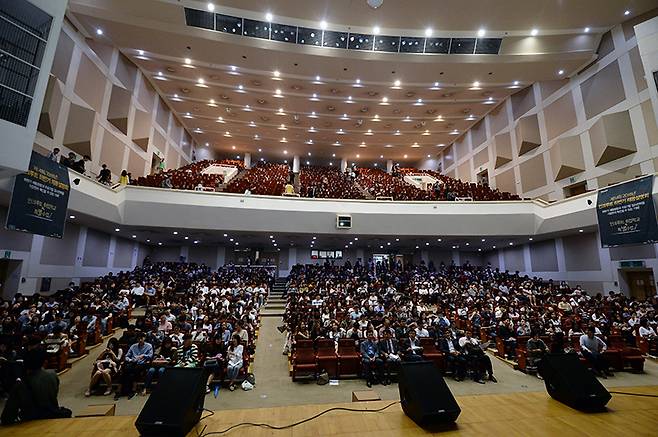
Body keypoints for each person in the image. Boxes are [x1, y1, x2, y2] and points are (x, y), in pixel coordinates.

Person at [1, 348, 71, 424]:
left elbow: (7, 416)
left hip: (30, 422)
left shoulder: (21, 385)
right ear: (44, 362)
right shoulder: (52, 375)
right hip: (52, 417)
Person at [116, 332, 153, 399]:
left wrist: (143, 356)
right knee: (124, 370)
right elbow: (127, 356)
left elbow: (150, 356)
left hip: (142, 363)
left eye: (141, 338)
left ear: (144, 338)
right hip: (132, 362)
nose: (140, 340)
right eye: (139, 339)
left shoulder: (149, 346)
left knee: (135, 370)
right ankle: (119, 391)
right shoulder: (133, 346)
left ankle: (133, 390)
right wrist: (130, 360)